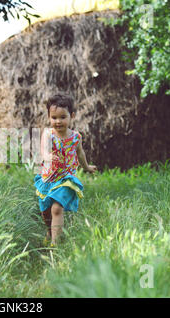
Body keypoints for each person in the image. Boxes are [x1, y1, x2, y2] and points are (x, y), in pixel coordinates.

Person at [34, 94, 97, 246]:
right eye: (54, 117)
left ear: (72, 116)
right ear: (49, 117)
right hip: (48, 178)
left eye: (63, 117)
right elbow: (44, 150)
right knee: (46, 211)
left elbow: (80, 153)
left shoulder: (76, 137)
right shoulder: (48, 134)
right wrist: (48, 156)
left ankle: (55, 244)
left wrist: (86, 167)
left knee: (57, 209)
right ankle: (49, 231)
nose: (58, 121)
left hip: (66, 178)